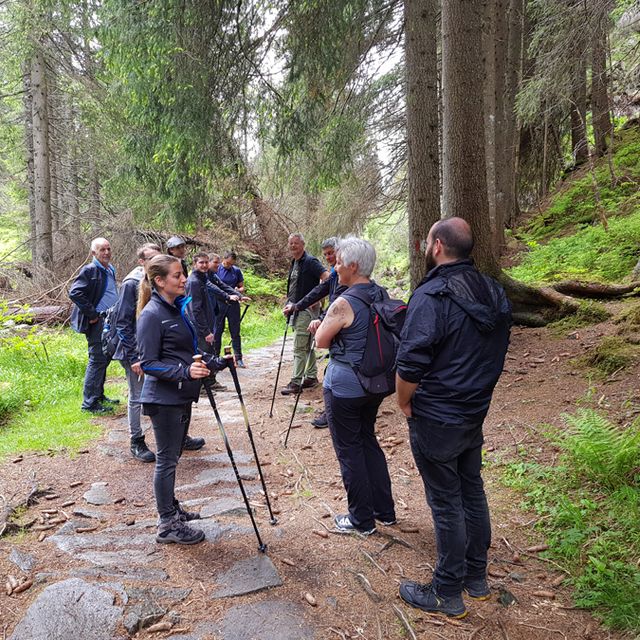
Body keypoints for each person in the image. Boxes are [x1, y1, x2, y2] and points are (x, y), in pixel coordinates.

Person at [395, 217, 511, 619]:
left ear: (439, 246)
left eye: (427, 242)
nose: (425, 247)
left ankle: (447, 591)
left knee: (447, 502)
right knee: (471, 491)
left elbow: (410, 362)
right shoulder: (493, 290)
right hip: (472, 411)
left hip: (439, 413)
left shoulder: (433, 296)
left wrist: (404, 401)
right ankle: (475, 578)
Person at [137, 254, 232, 545]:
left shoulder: (176, 308)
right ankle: (167, 524)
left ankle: (172, 510)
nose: (183, 279)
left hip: (180, 396)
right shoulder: (152, 315)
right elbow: (148, 363)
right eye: (177, 275)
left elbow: (186, 352)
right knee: (166, 461)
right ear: (160, 281)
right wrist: (185, 371)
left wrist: (215, 362)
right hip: (163, 400)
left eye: (182, 274)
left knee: (173, 458)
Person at [314, 236, 396, 535]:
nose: (334, 268)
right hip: (374, 383)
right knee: (367, 441)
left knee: (349, 450)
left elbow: (321, 341)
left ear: (352, 266)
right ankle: (384, 510)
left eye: (337, 263)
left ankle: (361, 519)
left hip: (345, 386)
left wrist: (321, 328)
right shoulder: (380, 293)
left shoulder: (344, 301)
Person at [285, 237, 346, 426]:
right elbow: (322, 289)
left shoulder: (316, 264)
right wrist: (296, 305)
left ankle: (299, 382)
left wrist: (318, 314)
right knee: (322, 354)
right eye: (326, 254)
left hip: (336, 318)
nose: (329, 257)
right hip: (314, 312)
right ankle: (312, 379)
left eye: (331, 253)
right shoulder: (296, 263)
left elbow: (334, 295)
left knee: (304, 347)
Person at [113, 243, 162, 462]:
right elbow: (123, 323)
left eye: (157, 257)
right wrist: (134, 357)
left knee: (159, 393)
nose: (155, 261)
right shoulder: (131, 283)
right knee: (137, 396)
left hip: (152, 348)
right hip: (132, 351)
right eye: (150, 258)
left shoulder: (157, 279)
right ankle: (136, 440)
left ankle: (170, 436)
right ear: (141, 261)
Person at [69, 237, 119, 414]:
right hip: (98, 322)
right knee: (97, 359)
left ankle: (99, 396)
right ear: (93, 253)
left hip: (108, 320)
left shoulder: (109, 268)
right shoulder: (90, 270)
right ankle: (89, 403)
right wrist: (93, 314)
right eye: (102, 250)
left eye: (108, 249)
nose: (106, 253)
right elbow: (75, 293)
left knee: (104, 358)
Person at [280, 233, 329, 396]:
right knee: (306, 345)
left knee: (299, 346)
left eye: (296, 243)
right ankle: (310, 376)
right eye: (290, 243)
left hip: (306, 310)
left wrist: (318, 297)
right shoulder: (294, 262)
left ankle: (296, 381)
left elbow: (327, 278)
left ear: (303, 244)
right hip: (295, 308)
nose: (293, 246)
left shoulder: (310, 261)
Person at [213, 251, 246, 367]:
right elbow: (216, 286)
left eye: (231, 264)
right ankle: (216, 357)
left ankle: (239, 358)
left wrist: (238, 290)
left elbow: (242, 286)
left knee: (235, 331)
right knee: (217, 332)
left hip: (233, 304)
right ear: (224, 259)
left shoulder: (236, 270)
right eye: (228, 263)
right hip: (219, 304)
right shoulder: (217, 270)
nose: (229, 266)